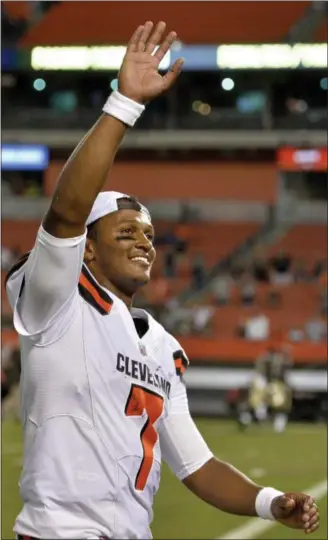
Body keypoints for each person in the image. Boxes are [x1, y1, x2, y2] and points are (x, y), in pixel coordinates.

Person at [6, 21, 319, 540]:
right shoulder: (56, 302)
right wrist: (124, 103)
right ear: (87, 247)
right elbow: (64, 215)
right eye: (125, 231)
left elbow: (195, 464)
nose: (144, 242)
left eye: (149, 235)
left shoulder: (163, 347)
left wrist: (270, 503)